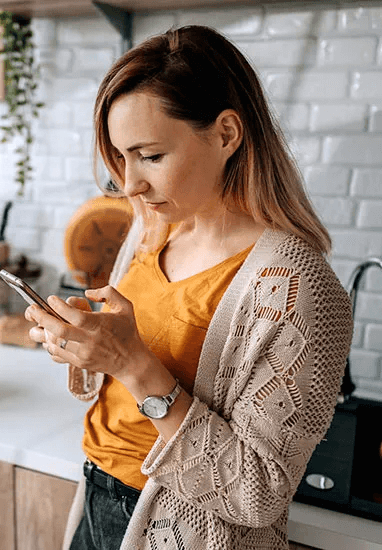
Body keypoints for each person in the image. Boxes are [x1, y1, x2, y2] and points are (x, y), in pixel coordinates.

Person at [25, 25, 353, 550]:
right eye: (121, 156)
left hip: (180, 529)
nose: (129, 184)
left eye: (150, 156)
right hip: (94, 495)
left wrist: (132, 363)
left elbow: (259, 492)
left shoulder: (295, 286)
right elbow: (124, 377)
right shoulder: (155, 226)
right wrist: (85, 345)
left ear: (226, 134)